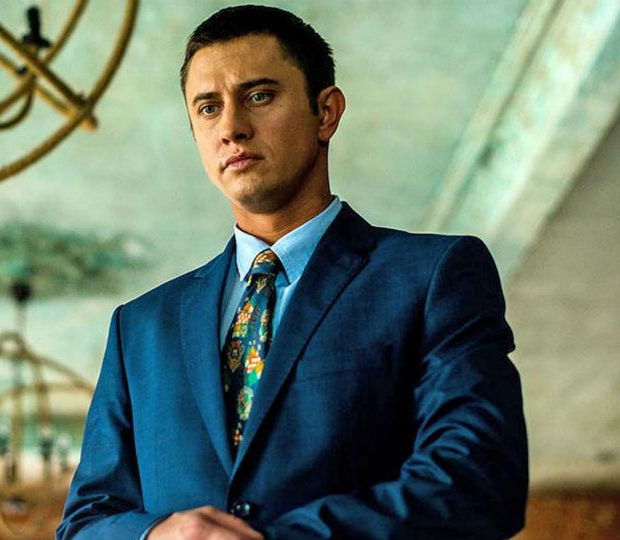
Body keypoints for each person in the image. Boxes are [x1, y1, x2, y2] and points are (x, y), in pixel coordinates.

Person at [56, 5, 528, 539]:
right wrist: (157, 535)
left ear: (325, 113)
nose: (231, 128)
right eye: (208, 108)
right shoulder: (140, 327)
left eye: (259, 96)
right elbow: (84, 522)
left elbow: (479, 480)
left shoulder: (433, 276)